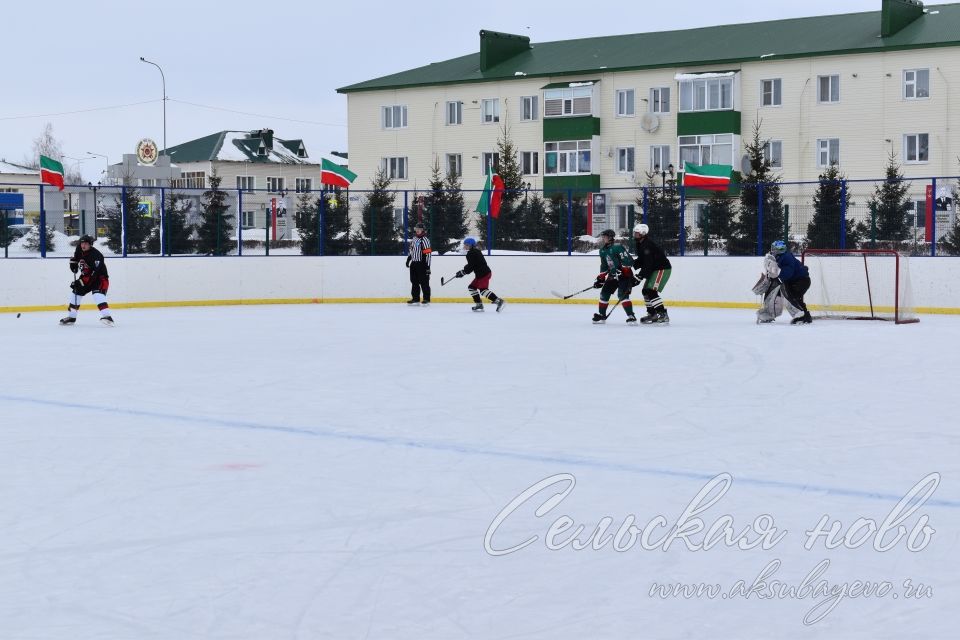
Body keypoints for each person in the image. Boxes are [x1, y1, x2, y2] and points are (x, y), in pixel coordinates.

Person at [60, 235, 114, 326]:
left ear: (90, 245)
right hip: (86, 276)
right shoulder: (79, 249)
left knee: (97, 294)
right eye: (82, 243)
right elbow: (76, 258)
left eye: (86, 244)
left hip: (99, 278)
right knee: (76, 293)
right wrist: (73, 263)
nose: (83, 245)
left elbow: (94, 273)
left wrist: (81, 282)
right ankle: (71, 317)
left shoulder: (97, 255)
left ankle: (107, 317)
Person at [592, 228, 636, 324]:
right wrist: (601, 278)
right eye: (603, 236)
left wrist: (623, 269)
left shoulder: (617, 247)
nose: (603, 238)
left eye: (605, 236)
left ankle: (631, 316)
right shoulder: (602, 251)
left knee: (622, 295)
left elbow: (629, 260)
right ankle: (602, 315)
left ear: (611, 237)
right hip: (613, 275)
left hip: (625, 275)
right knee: (604, 294)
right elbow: (604, 266)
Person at [632, 223, 672, 324]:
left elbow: (648, 263)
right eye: (635, 233)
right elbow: (642, 259)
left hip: (662, 269)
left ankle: (663, 314)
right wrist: (631, 264)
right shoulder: (640, 243)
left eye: (637, 233)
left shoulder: (647, 244)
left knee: (651, 291)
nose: (635, 235)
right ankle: (652, 314)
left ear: (643, 234)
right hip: (654, 269)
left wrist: (640, 276)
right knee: (645, 291)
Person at [454, 237, 505, 312]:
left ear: (471, 245)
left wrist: (463, 272)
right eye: (465, 244)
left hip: (483, 274)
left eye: (467, 245)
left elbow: (471, 266)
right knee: (471, 287)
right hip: (481, 274)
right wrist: (463, 271)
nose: (465, 246)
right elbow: (473, 264)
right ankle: (479, 304)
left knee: (483, 290)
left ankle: (499, 301)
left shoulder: (471, 253)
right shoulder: (476, 251)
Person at [770, 240, 812, 324]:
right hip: (797, 280)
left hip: (801, 281)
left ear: (778, 250)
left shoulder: (786, 257)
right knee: (795, 298)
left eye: (774, 249)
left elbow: (788, 271)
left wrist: (779, 279)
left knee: (793, 297)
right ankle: (805, 316)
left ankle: (803, 316)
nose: (772, 250)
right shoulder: (781, 257)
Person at [405, 222, 432, 306]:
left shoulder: (425, 240)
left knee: (424, 282)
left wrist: (427, 267)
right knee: (414, 281)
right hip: (414, 264)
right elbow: (411, 250)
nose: (417, 230)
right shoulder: (414, 239)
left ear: (423, 230)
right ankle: (415, 298)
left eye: (419, 229)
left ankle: (426, 299)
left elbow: (428, 254)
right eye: (416, 229)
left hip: (422, 264)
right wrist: (408, 259)